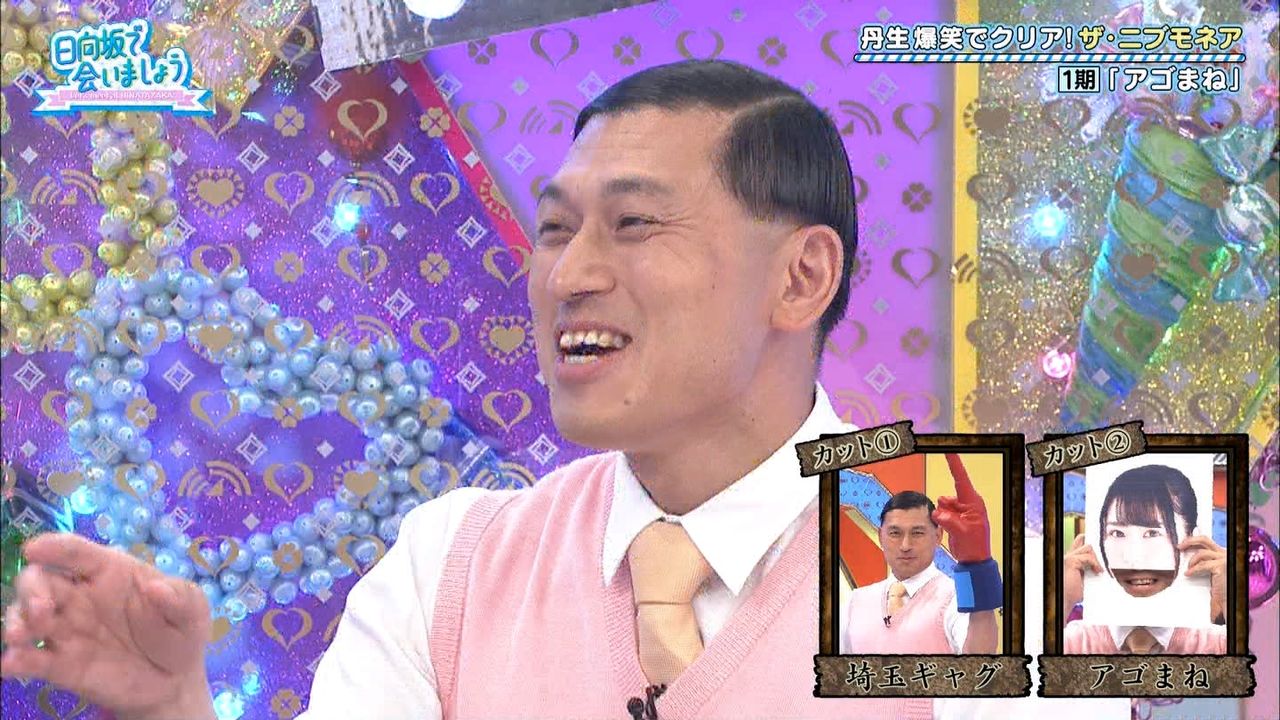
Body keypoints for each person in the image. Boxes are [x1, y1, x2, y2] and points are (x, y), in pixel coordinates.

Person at [0, 60, 948, 719]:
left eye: (633, 224)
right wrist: (175, 707)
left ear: (800, 279)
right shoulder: (452, 561)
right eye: (556, 229)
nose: (568, 274)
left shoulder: (966, 556)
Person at [841, 455, 1001, 655]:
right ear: (881, 536)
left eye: (917, 533)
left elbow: (980, 657)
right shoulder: (855, 602)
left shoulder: (955, 597)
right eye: (895, 533)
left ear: (938, 536)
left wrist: (977, 566)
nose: (905, 545)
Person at [1062, 464, 1227, 654]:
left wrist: (1230, 598)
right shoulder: (1072, 644)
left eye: (1152, 533)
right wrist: (1062, 598)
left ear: (1194, 539)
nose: (1134, 558)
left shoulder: (1219, 646)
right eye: (1117, 533)